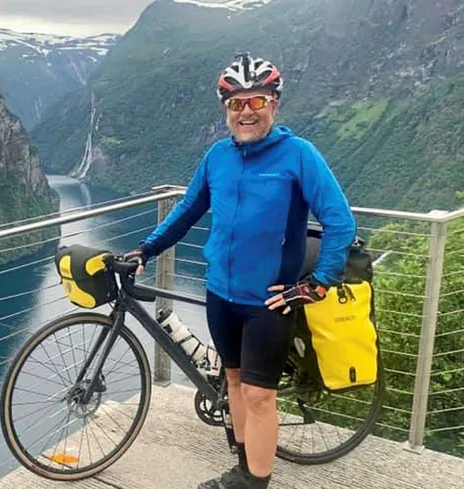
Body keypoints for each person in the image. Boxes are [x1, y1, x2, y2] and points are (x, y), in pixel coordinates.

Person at [124, 53, 357, 489]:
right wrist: (145, 250)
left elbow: (340, 221)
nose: (246, 111)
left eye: (257, 101)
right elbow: (187, 210)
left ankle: (257, 482)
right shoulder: (217, 157)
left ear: (275, 103)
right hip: (221, 294)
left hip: (270, 298)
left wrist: (317, 284)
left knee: (258, 394)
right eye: (236, 104)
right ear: (225, 109)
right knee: (233, 379)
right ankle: (244, 468)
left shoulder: (299, 155)